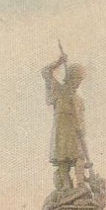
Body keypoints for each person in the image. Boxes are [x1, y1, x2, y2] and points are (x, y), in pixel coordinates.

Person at [42, 50, 91, 192]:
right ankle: (66, 186)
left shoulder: (79, 101)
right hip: (62, 127)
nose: (78, 83)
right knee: (62, 158)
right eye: (76, 79)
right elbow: (45, 72)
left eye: (80, 80)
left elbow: (81, 120)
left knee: (79, 156)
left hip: (75, 129)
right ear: (69, 77)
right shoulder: (58, 89)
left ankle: (81, 184)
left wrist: (82, 131)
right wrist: (58, 62)